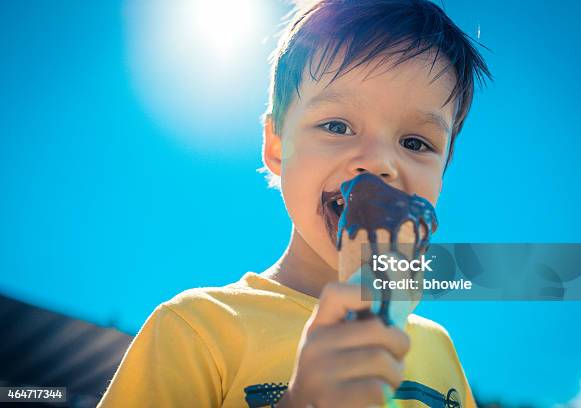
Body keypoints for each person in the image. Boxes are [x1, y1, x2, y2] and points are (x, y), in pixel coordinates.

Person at [98, 0, 491, 406]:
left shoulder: (438, 348)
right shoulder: (197, 328)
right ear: (276, 147)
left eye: (415, 142)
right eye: (337, 126)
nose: (378, 163)